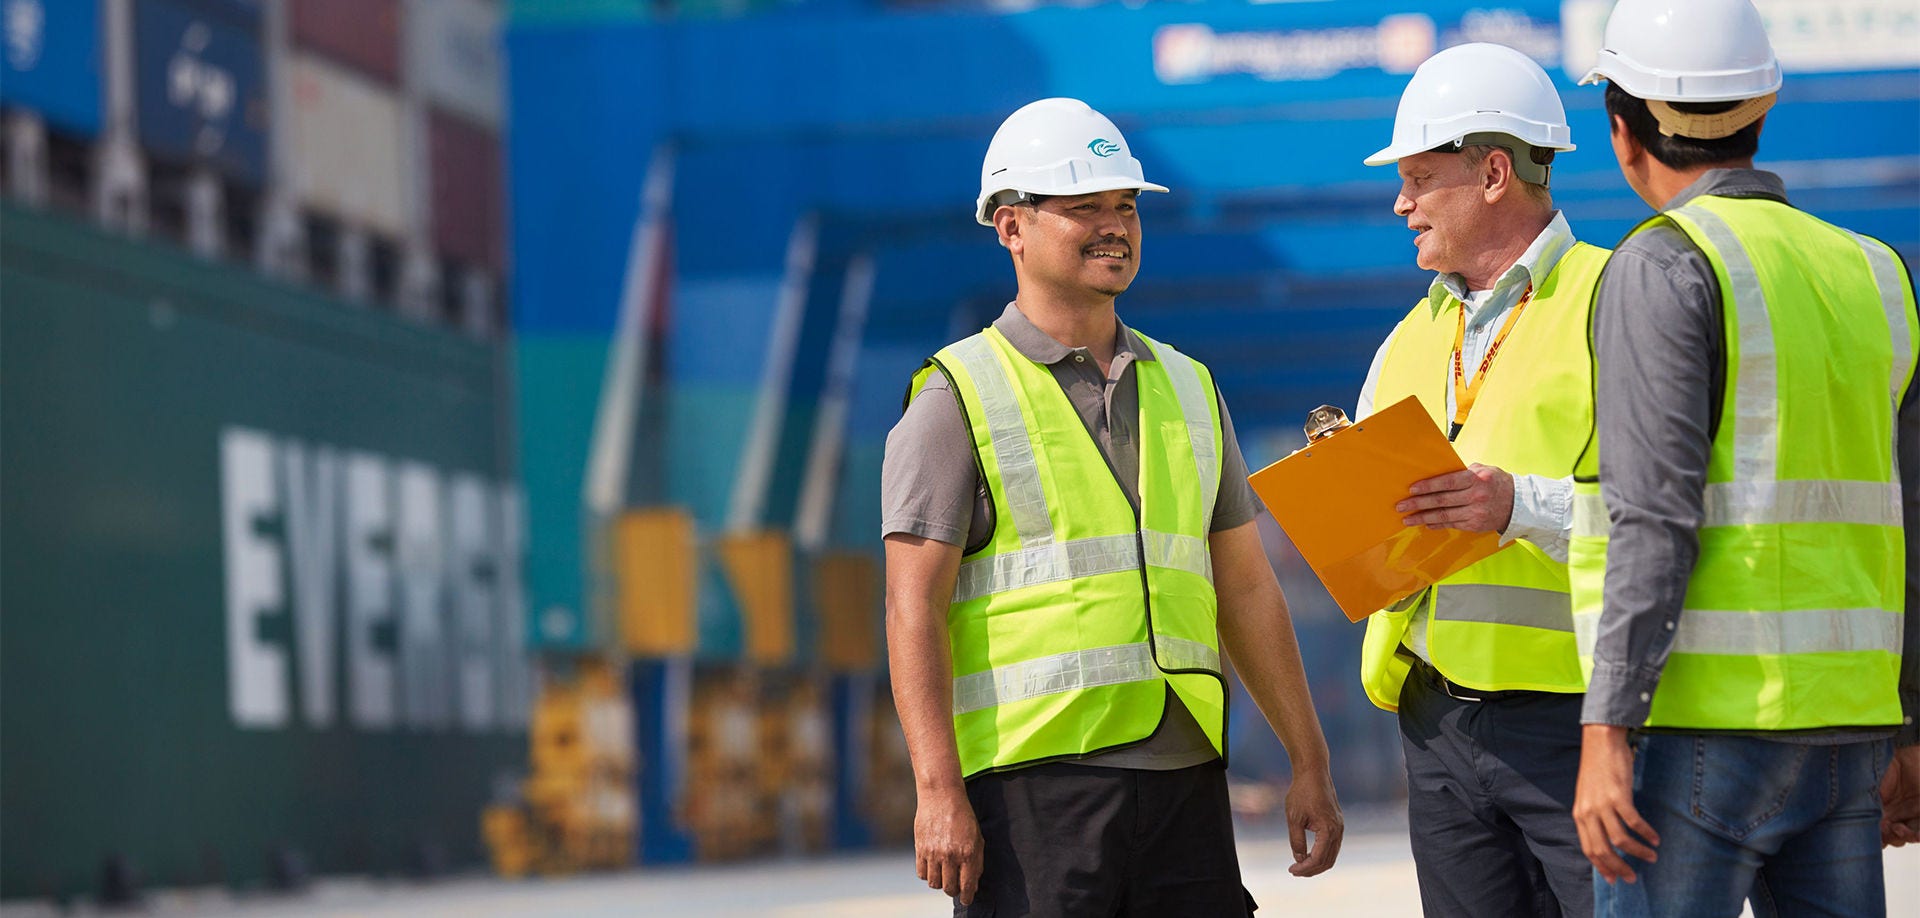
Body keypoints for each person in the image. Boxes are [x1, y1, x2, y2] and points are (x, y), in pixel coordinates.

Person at [881, 97, 1343, 917]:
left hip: (1185, 782)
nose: (1114, 227)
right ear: (1011, 227)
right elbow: (911, 607)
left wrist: (1309, 758)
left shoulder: (1190, 388)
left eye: (1125, 206)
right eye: (1084, 207)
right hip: (1033, 791)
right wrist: (937, 789)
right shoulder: (955, 399)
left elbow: (1245, 589)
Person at [1566, 1, 1920, 915]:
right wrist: (1912, 722)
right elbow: (1912, 521)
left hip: (1700, 733)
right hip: (1848, 733)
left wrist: (1605, 729)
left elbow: (1654, 521)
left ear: (1622, 127)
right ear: (1762, 108)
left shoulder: (1662, 265)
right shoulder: (1876, 273)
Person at [1354, 43, 1611, 918]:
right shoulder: (1405, 340)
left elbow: (1672, 518)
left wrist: (1516, 506)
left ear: (1495, 173)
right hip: (1437, 727)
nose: (1401, 204)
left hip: (1581, 725)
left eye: (1420, 180)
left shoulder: (1615, 300)